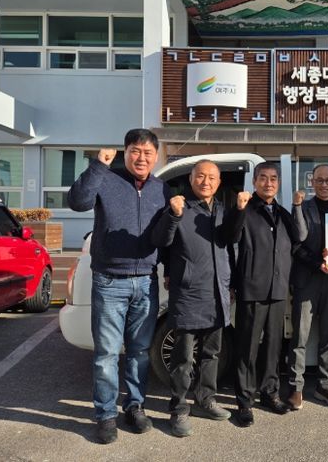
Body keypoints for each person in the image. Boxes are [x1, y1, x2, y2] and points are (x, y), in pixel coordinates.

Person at [67, 129, 169, 444]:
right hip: (110, 280)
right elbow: (78, 202)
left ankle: (135, 406)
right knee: (107, 354)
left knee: (140, 351)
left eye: (148, 152)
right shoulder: (107, 180)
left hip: (146, 281)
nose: (142, 158)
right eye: (136, 151)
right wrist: (98, 165)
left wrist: (167, 270)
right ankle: (106, 415)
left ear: (156, 156)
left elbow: (167, 232)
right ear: (126, 152)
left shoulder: (161, 189)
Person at [151, 160, 232, 437]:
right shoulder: (179, 206)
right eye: (200, 176)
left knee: (211, 353)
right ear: (191, 178)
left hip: (216, 292)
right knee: (183, 357)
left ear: (219, 182)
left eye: (211, 177)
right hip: (188, 293)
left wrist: (230, 283)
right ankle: (178, 409)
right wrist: (173, 216)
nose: (205, 182)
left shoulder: (222, 210)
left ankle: (205, 400)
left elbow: (229, 249)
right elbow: (161, 241)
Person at [223, 162, 298, 427]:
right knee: (247, 347)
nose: (268, 183)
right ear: (254, 182)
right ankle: (244, 402)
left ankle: (269, 393)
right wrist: (239, 209)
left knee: (274, 346)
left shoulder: (283, 213)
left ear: (279, 183)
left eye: (273, 178)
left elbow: (297, 242)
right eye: (263, 178)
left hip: (278, 288)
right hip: (252, 287)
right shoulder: (245, 209)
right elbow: (230, 236)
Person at [287, 164, 328, 410]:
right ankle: (296, 386)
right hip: (307, 280)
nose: (324, 184)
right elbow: (295, 244)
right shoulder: (302, 208)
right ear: (311, 182)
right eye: (319, 180)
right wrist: (317, 263)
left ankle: (324, 384)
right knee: (300, 336)